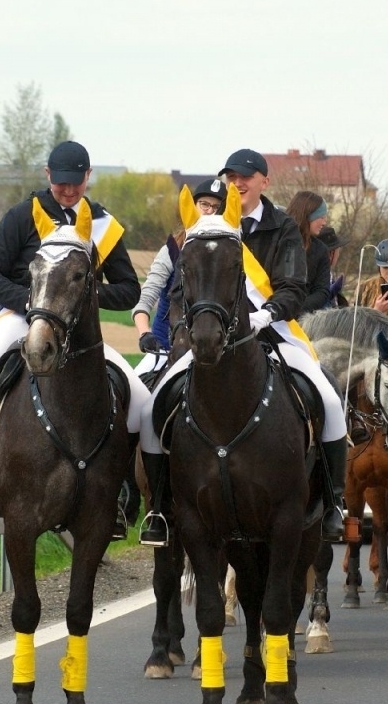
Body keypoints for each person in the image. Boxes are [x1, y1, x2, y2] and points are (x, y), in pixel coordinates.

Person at [0, 141, 150, 538]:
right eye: (61, 183)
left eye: (76, 184)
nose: (68, 191)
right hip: (20, 317)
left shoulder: (103, 224)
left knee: (138, 398)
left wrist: (84, 297)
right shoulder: (23, 216)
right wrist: (33, 302)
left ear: (88, 178)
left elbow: (129, 289)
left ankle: (119, 496)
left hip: (78, 329)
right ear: (48, 175)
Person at [137, 148, 350, 546]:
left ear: (264, 182)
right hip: (214, 338)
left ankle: (334, 501)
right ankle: (158, 509)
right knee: (153, 408)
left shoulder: (283, 227)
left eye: (246, 177)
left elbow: (293, 287)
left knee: (329, 397)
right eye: (232, 177)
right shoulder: (210, 226)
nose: (238, 183)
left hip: (273, 331)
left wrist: (263, 315)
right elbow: (185, 287)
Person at [132, 179, 227, 378]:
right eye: (204, 205)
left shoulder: (229, 255)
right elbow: (145, 297)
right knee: (133, 403)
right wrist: (144, 333)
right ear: (192, 207)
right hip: (165, 351)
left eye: (216, 207)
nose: (209, 211)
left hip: (213, 355)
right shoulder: (172, 249)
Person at [286, 190, 337, 313]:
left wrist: (296, 309)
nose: (324, 222)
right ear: (307, 215)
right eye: (321, 217)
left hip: (301, 320)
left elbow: (322, 291)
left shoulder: (320, 250)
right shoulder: (277, 241)